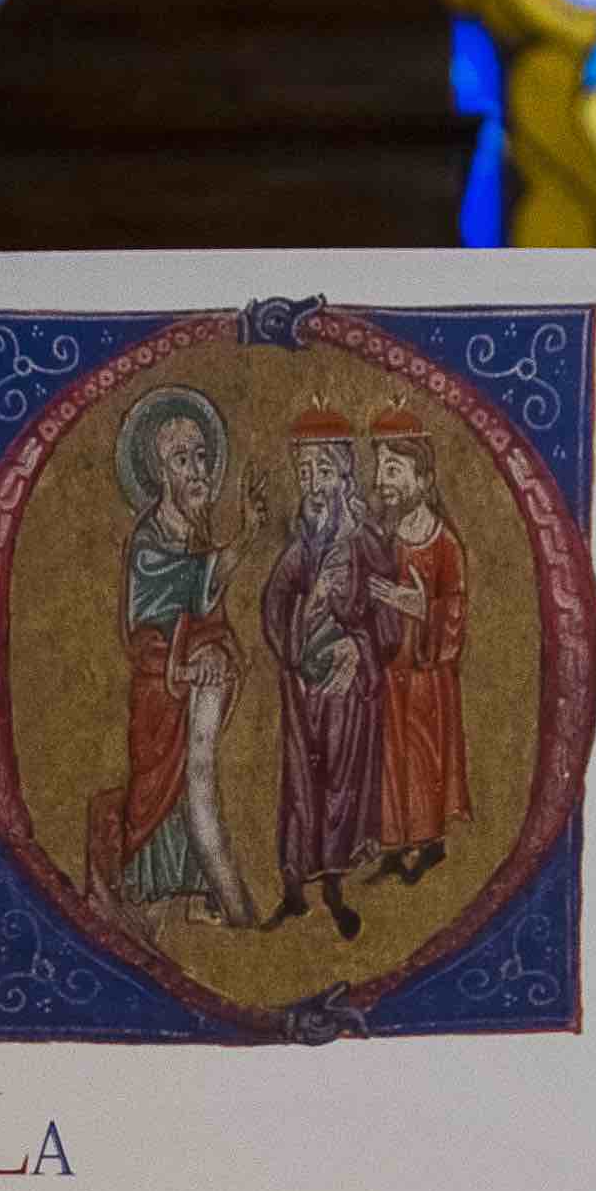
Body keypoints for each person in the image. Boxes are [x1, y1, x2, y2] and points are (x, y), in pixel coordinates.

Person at [88, 387, 259, 939]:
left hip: (191, 686)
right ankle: (151, 898)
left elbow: (208, 613)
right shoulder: (148, 541)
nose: (197, 470)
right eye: (182, 459)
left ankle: (197, 893)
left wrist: (215, 649)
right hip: (160, 691)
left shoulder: (195, 532)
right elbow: (153, 626)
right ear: (161, 472)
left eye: (201, 456)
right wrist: (186, 662)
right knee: (159, 796)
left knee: (194, 787)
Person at [252, 403, 392, 943]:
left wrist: (358, 648)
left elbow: (386, 614)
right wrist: (292, 649)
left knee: (338, 782)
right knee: (300, 783)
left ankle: (334, 888)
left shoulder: (364, 543)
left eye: (323, 471)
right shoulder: (302, 546)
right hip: (304, 683)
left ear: (344, 476)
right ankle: (294, 889)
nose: (313, 484)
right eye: (305, 472)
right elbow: (273, 601)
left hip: (346, 688)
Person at [361, 405, 470, 885]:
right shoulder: (384, 538)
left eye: (392, 469)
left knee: (423, 757)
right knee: (391, 758)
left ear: (422, 480)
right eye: (379, 468)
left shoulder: (444, 543)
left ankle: (428, 845)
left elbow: (457, 609)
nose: (379, 481)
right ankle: (394, 845)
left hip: (427, 675)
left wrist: (423, 608)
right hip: (390, 671)